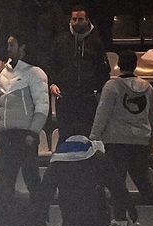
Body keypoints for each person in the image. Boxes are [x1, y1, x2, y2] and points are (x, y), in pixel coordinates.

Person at [89, 50, 153, 226]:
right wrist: (151, 142)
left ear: (118, 65)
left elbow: (102, 114)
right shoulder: (148, 88)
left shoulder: (112, 86)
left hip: (116, 141)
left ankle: (119, 218)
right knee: (142, 178)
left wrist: (94, 138)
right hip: (141, 141)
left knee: (117, 181)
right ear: (135, 65)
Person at [0, 36, 49, 199]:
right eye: (8, 45)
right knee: (6, 180)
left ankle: (39, 218)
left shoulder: (36, 73)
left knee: (31, 178)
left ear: (22, 48)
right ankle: (8, 220)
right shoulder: (3, 73)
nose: (8, 48)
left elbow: (42, 105)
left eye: (12, 45)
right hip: (7, 134)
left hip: (25, 135)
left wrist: (33, 132)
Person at [46, 6, 109, 140]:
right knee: (65, 136)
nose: (77, 22)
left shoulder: (96, 42)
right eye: (74, 19)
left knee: (87, 137)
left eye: (80, 19)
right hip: (65, 97)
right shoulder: (60, 40)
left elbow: (102, 70)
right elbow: (52, 65)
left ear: (87, 20)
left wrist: (98, 90)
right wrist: (52, 83)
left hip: (88, 98)